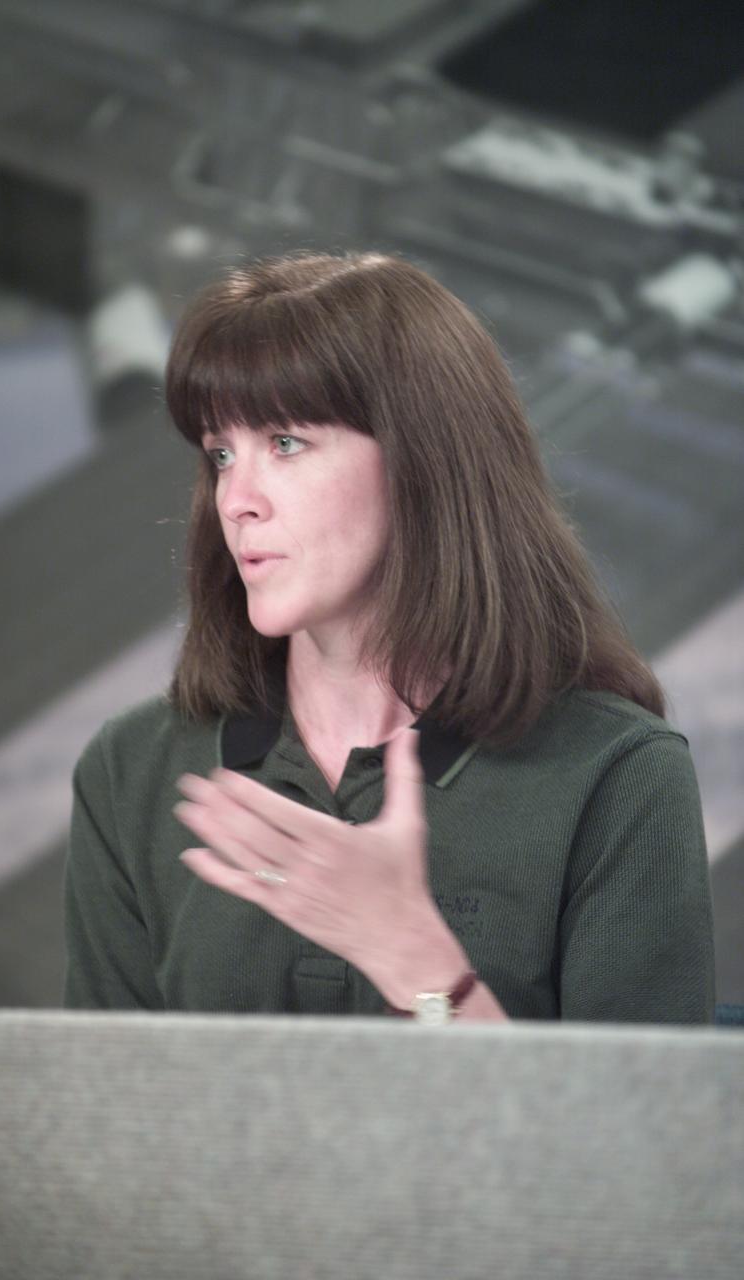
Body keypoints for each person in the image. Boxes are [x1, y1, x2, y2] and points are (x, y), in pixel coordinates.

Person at [64, 250, 715, 1023]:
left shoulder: (618, 778)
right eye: (219, 453)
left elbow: (630, 1143)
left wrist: (409, 953)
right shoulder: (131, 769)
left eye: (284, 443)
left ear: (423, 460)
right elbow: (106, 1119)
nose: (234, 498)